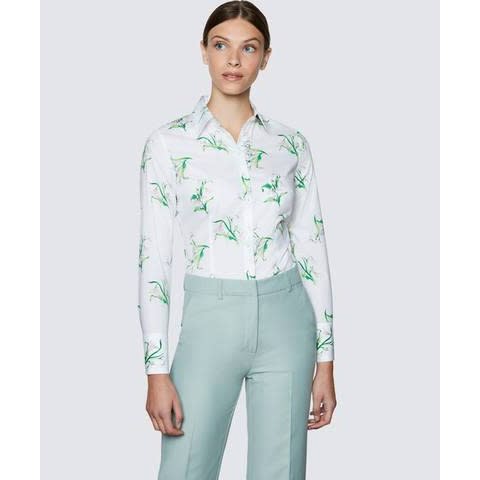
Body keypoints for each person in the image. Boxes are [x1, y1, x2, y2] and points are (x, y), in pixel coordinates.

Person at [138, 1, 337, 478]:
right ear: (203, 52)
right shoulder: (168, 144)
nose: (233, 60)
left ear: (265, 57)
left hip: (287, 320)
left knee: (280, 471)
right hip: (210, 319)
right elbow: (155, 259)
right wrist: (156, 369)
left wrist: (326, 360)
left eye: (248, 48)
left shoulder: (290, 144)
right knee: (185, 467)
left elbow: (312, 248)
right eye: (221, 45)